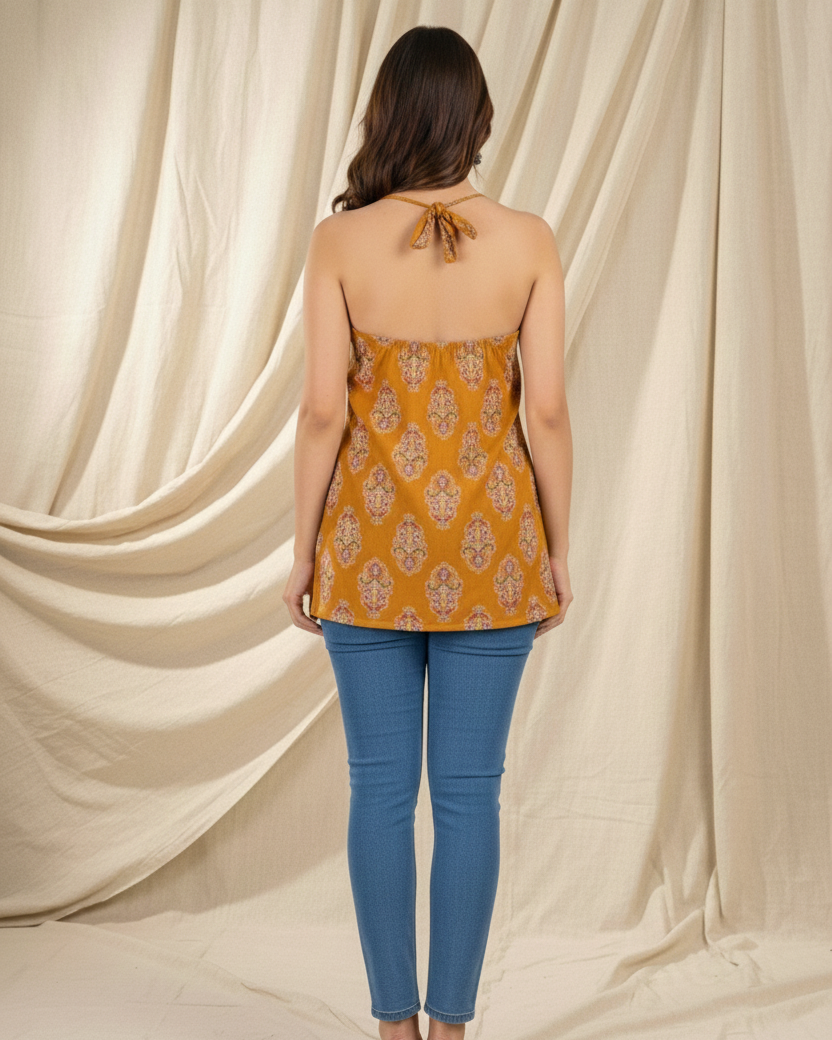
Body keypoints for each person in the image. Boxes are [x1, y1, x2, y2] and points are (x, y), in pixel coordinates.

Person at [283, 24, 573, 1040]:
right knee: (467, 797)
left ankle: (393, 1030)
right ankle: (451, 1029)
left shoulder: (339, 244)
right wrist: (555, 548)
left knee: (377, 791)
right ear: (476, 120)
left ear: (387, 117)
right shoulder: (529, 240)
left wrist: (302, 553)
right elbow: (547, 413)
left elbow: (321, 411)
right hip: (494, 553)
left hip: (367, 553)